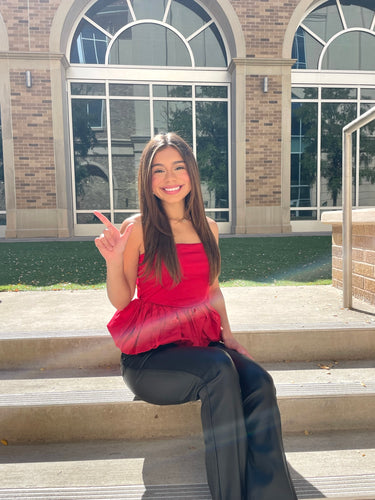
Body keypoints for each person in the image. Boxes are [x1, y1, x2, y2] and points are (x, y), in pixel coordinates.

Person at [94, 132, 297, 500]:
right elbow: (122, 301)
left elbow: (212, 289)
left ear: (191, 174)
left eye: (178, 167)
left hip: (200, 344)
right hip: (150, 359)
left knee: (260, 383)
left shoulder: (209, 228)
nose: (170, 179)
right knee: (219, 369)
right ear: (148, 180)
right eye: (159, 171)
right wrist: (112, 262)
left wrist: (229, 335)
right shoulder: (137, 228)